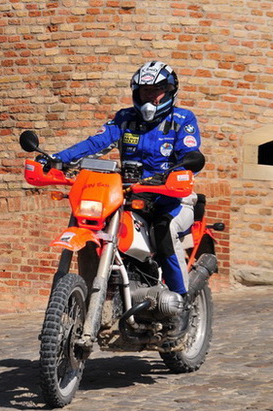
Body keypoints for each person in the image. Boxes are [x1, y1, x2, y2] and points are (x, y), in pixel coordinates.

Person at [50, 61, 202, 337]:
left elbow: (189, 155)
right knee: (95, 224)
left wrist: (174, 173)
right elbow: (95, 143)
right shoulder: (124, 119)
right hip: (129, 194)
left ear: (169, 91)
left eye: (156, 90)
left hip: (172, 198)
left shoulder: (182, 119)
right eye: (144, 90)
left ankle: (181, 303)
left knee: (164, 230)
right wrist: (57, 159)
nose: (150, 96)